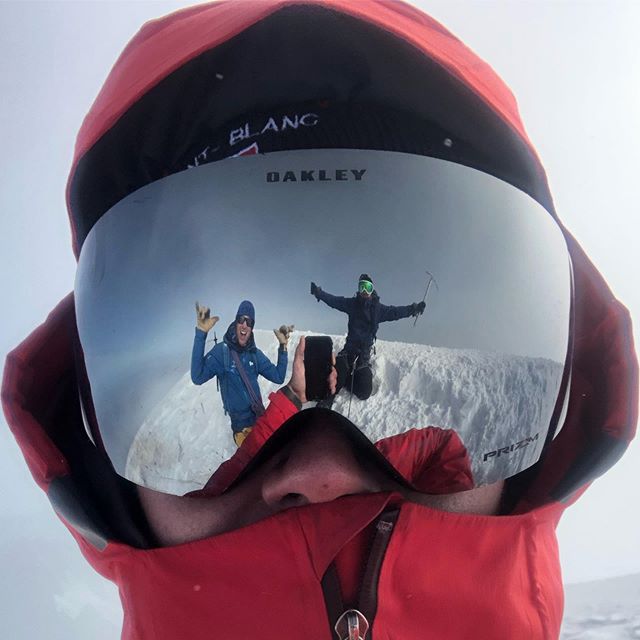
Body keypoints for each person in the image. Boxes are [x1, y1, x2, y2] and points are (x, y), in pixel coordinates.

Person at [2, 2, 637, 639]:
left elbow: (351, 322)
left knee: (357, 379)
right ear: (95, 465)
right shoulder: (231, 354)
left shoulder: (361, 310)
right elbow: (274, 346)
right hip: (244, 414)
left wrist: (404, 311)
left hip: (341, 362)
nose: (321, 476)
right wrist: (236, 331)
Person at [191, 299, 292, 446]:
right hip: (242, 430)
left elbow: (278, 377)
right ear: (236, 322)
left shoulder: (254, 354)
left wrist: (283, 347)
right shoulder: (222, 352)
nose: (245, 324)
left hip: (261, 419)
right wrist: (201, 333)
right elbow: (197, 377)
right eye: (241, 319)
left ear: (252, 328)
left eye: (249, 322)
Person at [311, 274, 425, 402]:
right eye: (362, 287)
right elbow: (334, 301)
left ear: (372, 290)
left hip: (364, 356)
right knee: (333, 384)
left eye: (367, 287)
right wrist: (319, 293)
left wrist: (413, 309)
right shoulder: (352, 304)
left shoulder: (378, 310)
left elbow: (396, 312)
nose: (365, 291)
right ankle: (330, 395)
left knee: (364, 392)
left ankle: (346, 379)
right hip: (349, 352)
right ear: (358, 290)